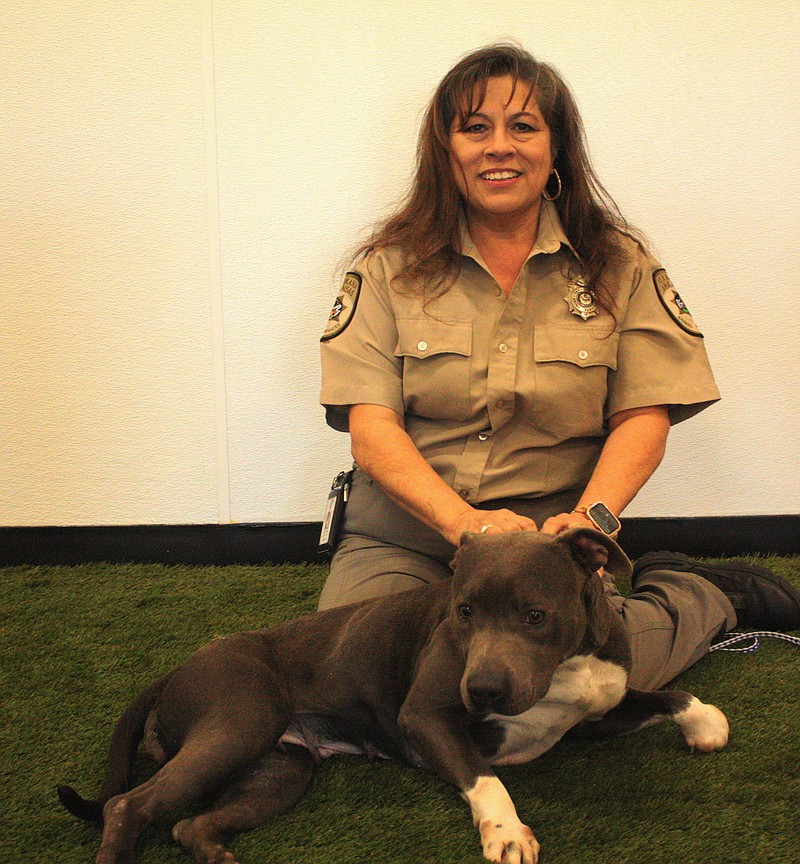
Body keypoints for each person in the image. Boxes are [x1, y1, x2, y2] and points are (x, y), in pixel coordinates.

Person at [318, 43, 800, 690]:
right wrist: (469, 527)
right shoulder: (386, 268)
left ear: (556, 149)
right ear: (446, 150)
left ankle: (701, 596)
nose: (499, 146)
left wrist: (592, 521)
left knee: (574, 688)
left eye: (523, 126)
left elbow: (644, 416)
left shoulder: (620, 265)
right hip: (411, 535)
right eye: (474, 128)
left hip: (546, 549)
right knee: (369, 681)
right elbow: (372, 430)